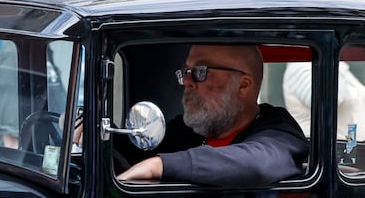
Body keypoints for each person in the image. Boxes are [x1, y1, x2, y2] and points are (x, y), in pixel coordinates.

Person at [117, 44, 309, 188]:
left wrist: (160, 165)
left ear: (243, 85)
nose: (187, 82)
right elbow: (129, 152)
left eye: (201, 72)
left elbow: (260, 164)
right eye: (186, 72)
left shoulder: (279, 133)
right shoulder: (187, 130)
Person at [281, 59, 365, 141]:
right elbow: (329, 100)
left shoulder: (336, 66)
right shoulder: (302, 67)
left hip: (349, 148)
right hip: (324, 150)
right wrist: (335, 61)